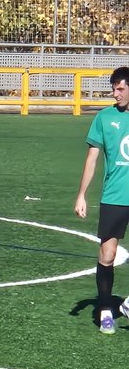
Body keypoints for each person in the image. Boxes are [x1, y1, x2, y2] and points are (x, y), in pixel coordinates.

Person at [74, 67, 129, 334]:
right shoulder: (104, 118)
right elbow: (92, 160)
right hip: (115, 197)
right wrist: (82, 195)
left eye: (120, 88)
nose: (114, 93)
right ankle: (107, 310)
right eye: (113, 88)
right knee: (107, 255)